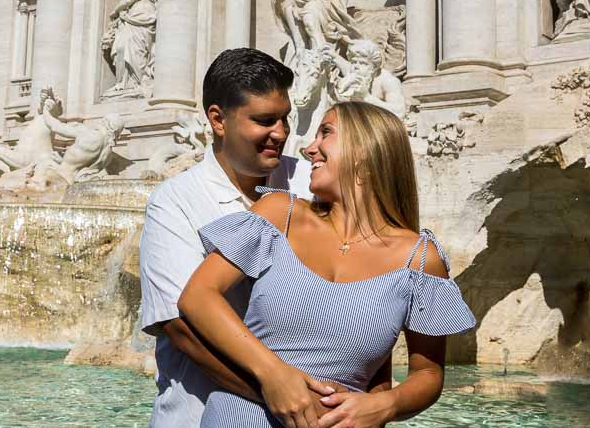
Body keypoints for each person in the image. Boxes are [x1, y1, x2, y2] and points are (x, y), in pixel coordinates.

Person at [179, 101, 476, 428]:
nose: (309, 149)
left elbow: (429, 373)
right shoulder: (280, 214)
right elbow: (198, 296)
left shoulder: (420, 259)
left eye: (326, 133)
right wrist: (274, 374)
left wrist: (385, 404)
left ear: (365, 150)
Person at [139, 48, 318, 427]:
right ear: (218, 120)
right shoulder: (175, 201)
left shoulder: (310, 182)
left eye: (286, 118)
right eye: (264, 120)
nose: (281, 133)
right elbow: (182, 329)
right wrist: (286, 398)